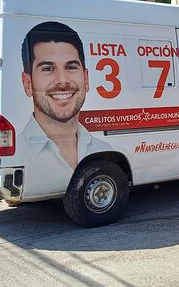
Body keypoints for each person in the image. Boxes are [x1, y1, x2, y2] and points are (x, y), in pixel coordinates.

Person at [17, 21, 110, 197]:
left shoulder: (103, 147)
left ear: (86, 78)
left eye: (71, 67)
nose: (62, 80)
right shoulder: (18, 153)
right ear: (28, 83)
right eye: (48, 68)